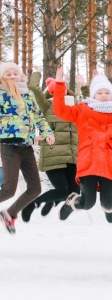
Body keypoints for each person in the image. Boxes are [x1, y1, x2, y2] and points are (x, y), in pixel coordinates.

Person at [53, 67, 112, 223]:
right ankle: (71, 203)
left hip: (109, 164)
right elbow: (60, 111)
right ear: (93, 94)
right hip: (88, 162)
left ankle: (109, 207)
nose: (103, 96)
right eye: (99, 93)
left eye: (107, 93)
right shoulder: (83, 110)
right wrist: (60, 84)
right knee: (87, 204)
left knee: (107, 204)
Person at [0, 62, 54, 234]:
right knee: (9, 190)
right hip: (9, 146)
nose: (12, 77)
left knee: (35, 189)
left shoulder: (28, 94)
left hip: (26, 147)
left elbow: (39, 117)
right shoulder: (1, 94)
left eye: (15, 73)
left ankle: (9, 213)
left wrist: (47, 132)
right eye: (8, 74)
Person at [21, 69, 79, 222]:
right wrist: (37, 73)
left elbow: (88, 103)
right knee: (62, 191)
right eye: (57, 90)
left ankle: (53, 201)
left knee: (74, 192)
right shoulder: (47, 107)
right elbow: (34, 89)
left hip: (71, 158)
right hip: (53, 156)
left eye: (64, 89)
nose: (62, 92)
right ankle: (32, 204)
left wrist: (82, 86)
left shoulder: (74, 108)